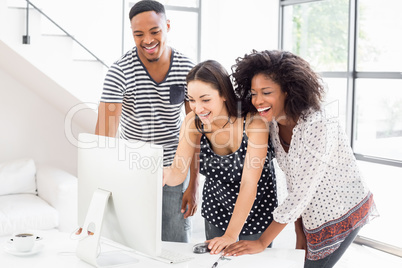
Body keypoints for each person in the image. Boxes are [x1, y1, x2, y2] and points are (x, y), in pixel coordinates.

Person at [224, 50, 378, 267]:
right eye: (254, 93)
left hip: (341, 211)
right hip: (310, 215)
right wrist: (300, 231)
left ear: (287, 91)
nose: (258, 100)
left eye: (266, 92)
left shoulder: (319, 125)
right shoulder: (274, 123)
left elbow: (301, 193)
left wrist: (262, 242)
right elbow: (294, 181)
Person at [95, 0, 199, 243]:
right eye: (138, 34)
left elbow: (195, 131)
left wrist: (193, 184)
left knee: (175, 241)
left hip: (175, 168)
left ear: (168, 26)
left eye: (155, 31)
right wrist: (104, 188)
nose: (148, 40)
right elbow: (104, 138)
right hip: (134, 169)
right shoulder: (120, 72)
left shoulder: (187, 69)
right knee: (136, 241)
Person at [163, 60, 278, 254]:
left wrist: (231, 235)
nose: (197, 108)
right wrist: (160, 175)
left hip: (256, 210)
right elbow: (178, 172)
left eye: (205, 100)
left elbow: (249, 184)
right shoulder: (193, 122)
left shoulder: (253, 123)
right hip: (217, 206)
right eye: (191, 100)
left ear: (224, 94)